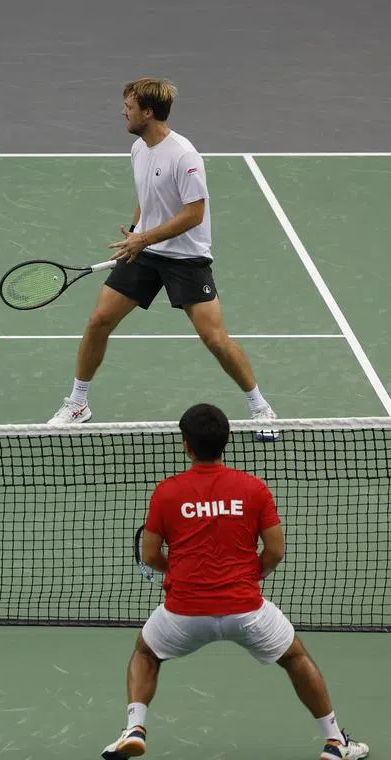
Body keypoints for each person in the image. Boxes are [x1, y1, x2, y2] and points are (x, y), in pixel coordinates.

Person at [103, 403, 369, 760]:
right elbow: (275, 550)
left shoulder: (166, 492)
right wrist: (247, 576)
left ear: (186, 445)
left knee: (146, 653)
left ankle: (134, 727)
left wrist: (181, 573)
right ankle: (336, 741)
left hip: (183, 613)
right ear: (226, 441)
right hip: (247, 610)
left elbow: (150, 555)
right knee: (295, 658)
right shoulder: (253, 488)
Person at [47, 78, 276, 437]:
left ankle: (260, 408)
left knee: (215, 339)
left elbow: (193, 214)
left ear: (148, 112)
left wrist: (146, 238)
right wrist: (136, 234)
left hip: (186, 258)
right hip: (146, 251)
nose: (123, 109)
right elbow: (146, 196)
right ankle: (78, 403)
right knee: (99, 320)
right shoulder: (140, 148)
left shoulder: (184, 156)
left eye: (130, 105)